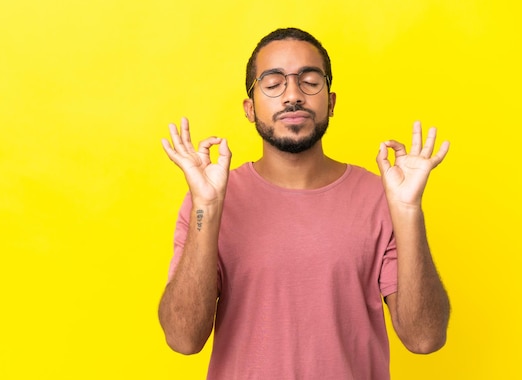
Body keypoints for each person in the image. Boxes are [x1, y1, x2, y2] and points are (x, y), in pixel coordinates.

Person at [158, 27, 450, 379]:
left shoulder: (383, 196)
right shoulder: (210, 198)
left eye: (310, 81)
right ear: (250, 109)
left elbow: (425, 338)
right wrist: (205, 206)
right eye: (273, 82)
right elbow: (183, 338)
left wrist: (408, 213)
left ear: (331, 101)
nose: (293, 95)